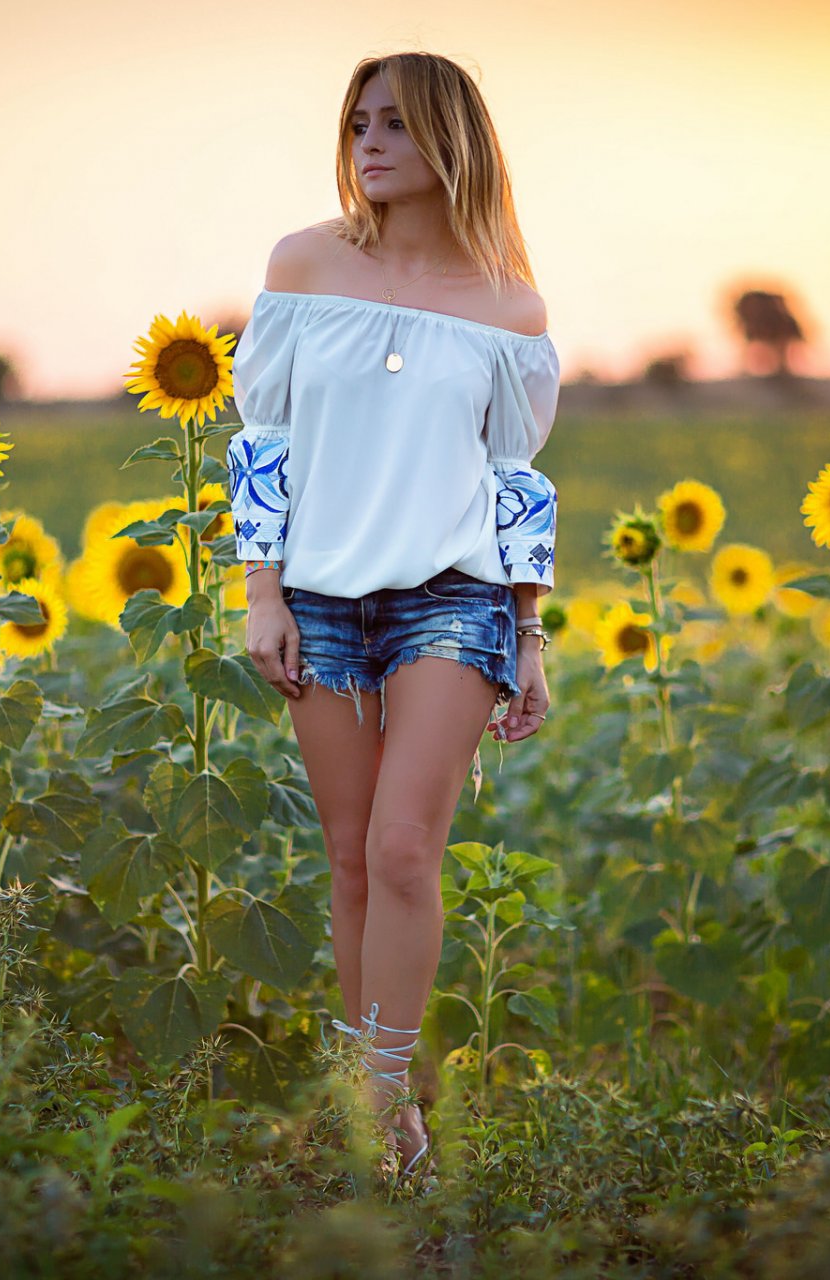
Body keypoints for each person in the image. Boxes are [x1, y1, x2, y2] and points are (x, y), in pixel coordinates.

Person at [224, 51, 560, 1182]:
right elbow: (260, 440)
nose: (370, 142)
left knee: (408, 846)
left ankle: (377, 1099)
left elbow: (514, 480)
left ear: (451, 142)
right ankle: (387, 1087)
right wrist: (261, 589)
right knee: (351, 857)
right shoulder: (302, 263)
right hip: (315, 592)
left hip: (454, 599)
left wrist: (531, 633)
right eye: (360, 122)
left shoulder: (510, 305)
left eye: (398, 126)